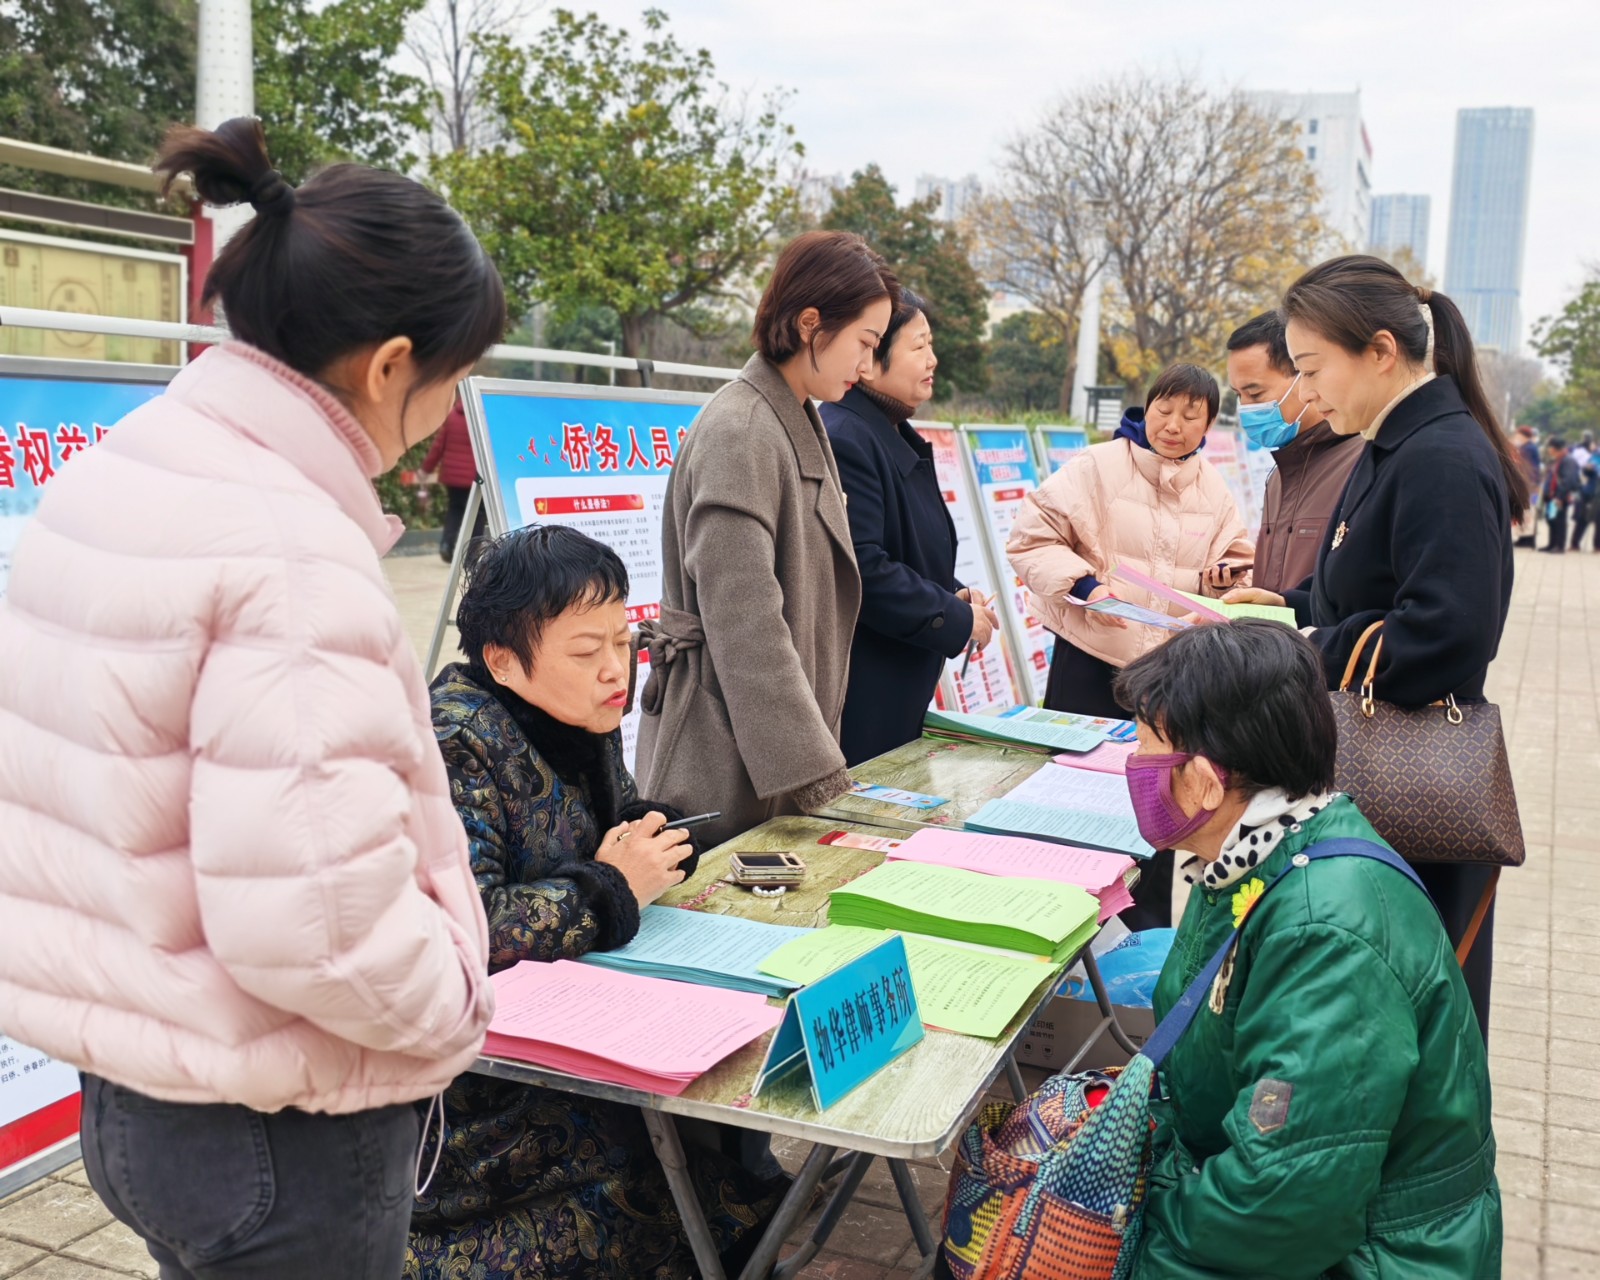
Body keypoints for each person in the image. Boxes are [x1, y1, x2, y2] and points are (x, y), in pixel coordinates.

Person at [0, 118, 505, 1277]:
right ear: (389, 364)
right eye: (453, 378)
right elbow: (324, 930)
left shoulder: (126, 462)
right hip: (281, 1127)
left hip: (140, 1093)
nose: (446, 416)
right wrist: (453, 1008)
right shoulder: (289, 557)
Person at [409, 525, 782, 1279]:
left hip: (575, 1029)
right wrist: (613, 886)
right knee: (720, 1203)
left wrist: (651, 835)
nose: (617, 670)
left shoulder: (579, 712)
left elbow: (587, 836)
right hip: (479, 1108)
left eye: (624, 640)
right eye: (587, 651)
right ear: (503, 662)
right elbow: (459, 932)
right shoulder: (452, 743)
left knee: (748, 1157)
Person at [1111, 620, 1499, 1279]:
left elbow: (1285, 1199)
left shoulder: (1327, 930)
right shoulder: (1254, 857)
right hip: (1282, 1211)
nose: (1133, 766)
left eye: (1146, 747)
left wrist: (1142, 1242)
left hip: (1371, 1258)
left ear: (1205, 781)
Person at [1225, 254, 1526, 1037]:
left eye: (1315, 368)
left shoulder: (1442, 458)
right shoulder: (1393, 444)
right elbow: (1372, 598)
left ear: (1382, 352)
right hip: (1371, 775)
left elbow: (1445, 633)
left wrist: (1308, 644)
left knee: (1397, 1024)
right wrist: (1287, 610)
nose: (1308, 392)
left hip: (1411, 790)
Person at [636, 231, 898, 847]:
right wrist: (818, 779)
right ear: (812, 323)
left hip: (762, 745)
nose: (867, 365)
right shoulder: (742, 428)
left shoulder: (791, 414)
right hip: (723, 753)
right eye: (864, 342)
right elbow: (745, 622)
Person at [1008, 363, 1252, 928]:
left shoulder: (1213, 489)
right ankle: (1053, 920)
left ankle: (1144, 938)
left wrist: (1223, 578)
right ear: (1148, 408)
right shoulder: (1098, 465)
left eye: (1192, 415)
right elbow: (1031, 535)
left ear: (1209, 424)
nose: (1174, 424)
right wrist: (1084, 584)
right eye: (1165, 409)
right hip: (1089, 661)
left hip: (1169, 679)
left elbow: (1237, 564)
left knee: (1162, 805)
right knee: (1073, 803)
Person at [819, 287, 1000, 764]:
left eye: (931, 345)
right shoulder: (847, 437)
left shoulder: (890, 430)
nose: (932, 359)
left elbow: (904, 552)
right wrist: (957, 619)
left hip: (895, 682)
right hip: (862, 689)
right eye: (918, 347)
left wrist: (953, 595)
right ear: (870, 358)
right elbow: (863, 568)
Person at [1225, 312, 1364, 595]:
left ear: (1305, 376)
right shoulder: (1278, 476)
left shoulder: (1363, 464)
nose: (1245, 408)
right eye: (1238, 395)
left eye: (1255, 393)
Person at [423, 394, 487, 561]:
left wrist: (425, 470)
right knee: (477, 514)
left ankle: (447, 545)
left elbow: (438, 446)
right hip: (475, 477)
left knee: (455, 509)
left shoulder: (452, 416)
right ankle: (472, 555)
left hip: (452, 477)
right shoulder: (483, 417)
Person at [1542, 436, 1582, 554]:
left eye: (1550, 447)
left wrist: (1559, 497)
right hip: (1552, 496)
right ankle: (1552, 544)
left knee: (1559, 521)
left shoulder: (1568, 460)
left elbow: (1568, 480)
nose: (1549, 450)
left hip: (1560, 497)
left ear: (1555, 448)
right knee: (1551, 519)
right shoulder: (1558, 459)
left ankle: (1559, 546)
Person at [1513, 424, 1540, 547]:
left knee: (1528, 511)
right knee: (1526, 510)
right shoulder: (1528, 447)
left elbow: (1529, 468)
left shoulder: (1528, 448)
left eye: (1518, 434)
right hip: (1528, 483)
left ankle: (1527, 539)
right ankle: (1524, 537)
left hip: (1529, 484)